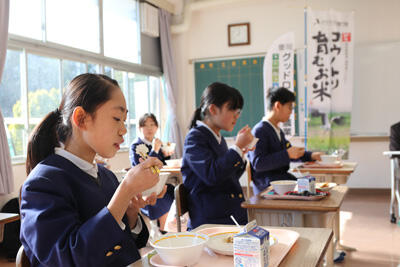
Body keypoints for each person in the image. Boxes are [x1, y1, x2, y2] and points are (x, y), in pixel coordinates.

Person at [20, 73, 164, 267]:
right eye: (116, 118)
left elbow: (128, 245)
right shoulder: (42, 183)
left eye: (124, 119)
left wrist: (130, 214)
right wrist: (125, 191)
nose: (123, 130)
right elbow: (68, 259)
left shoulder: (107, 176)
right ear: (81, 118)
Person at [181, 82, 254, 230]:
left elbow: (227, 176)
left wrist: (240, 154)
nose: (237, 116)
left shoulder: (217, 137)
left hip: (227, 213)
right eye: (232, 109)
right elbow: (211, 175)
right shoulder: (195, 137)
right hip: (211, 220)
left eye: (238, 111)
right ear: (213, 109)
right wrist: (237, 148)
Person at [248, 87, 322, 195]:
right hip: (268, 187)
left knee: (315, 189)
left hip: (280, 181)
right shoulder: (259, 131)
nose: (291, 112)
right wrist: (286, 154)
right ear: (278, 106)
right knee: (311, 192)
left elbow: (291, 153)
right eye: (289, 107)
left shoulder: (277, 130)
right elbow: (258, 163)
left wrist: (311, 156)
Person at [129, 113, 174, 232]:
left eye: (152, 124)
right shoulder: (136, 146)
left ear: (157, 127)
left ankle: (164, 229)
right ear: (140, 128)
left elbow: (161, 166)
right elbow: (142, 168)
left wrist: (166, 155)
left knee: (172, 191)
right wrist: (154, 150)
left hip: (158, 183)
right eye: (145, 125)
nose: (149, 128)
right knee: (162, 197)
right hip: (144, 186)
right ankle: (163, 230)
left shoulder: (157, 143)